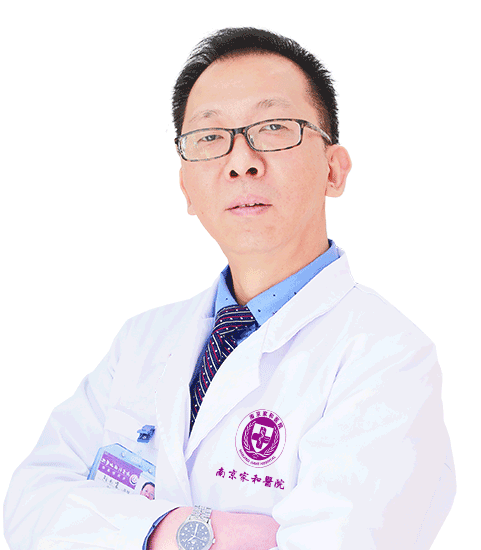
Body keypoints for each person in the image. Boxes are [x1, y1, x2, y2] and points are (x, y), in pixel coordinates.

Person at [4, 27, 455, 550]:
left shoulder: (390, 358)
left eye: (274, 128)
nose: (242, 161)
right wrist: (181, 533)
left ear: (334, 170)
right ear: (186, 187)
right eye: (210, 137)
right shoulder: (141, 341)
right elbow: (28, 506)